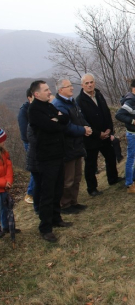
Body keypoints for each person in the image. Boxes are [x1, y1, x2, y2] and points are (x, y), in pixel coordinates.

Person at [28, 80, 73, 243]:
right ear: (36, 94)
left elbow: (65, 119)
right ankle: (45, 228)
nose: (49, 92)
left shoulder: (48, 106)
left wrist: (57, 119)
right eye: (46, 90)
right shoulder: (34, 110)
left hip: (58, 154)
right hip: (46, 157)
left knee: (57, 189)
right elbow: (50, 127)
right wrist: (56, 120)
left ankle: (56, 218)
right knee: (47, 193)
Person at [76, 74, 122, 196]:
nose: (90, 85)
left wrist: (109, 130)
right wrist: (97, 134)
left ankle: (113, 179)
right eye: (87, 83)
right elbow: (83, 120)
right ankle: (92, 188)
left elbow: (106, 113)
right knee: (91, 163)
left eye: (91, 82)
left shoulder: (99, 95)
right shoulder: (79, 100)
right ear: (82, 85)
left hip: (105, 134)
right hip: (91, 138)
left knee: (111, 157)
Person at [51, 79, 91, 214]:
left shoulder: (72, 102)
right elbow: (66, 127)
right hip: (68, 147)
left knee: (77, 177)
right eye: (68, 87)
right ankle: (65, 205)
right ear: (60, 90)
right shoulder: (58, 105)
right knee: (68, 179)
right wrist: (83, 130)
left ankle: (74, 201)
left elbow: (80, 117)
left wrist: (86, 127)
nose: (72, 89)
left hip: (77, 145)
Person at [17, 88, 35, 205]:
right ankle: (30, 193)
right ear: (30, 97)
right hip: (30, 143)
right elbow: (25, 133)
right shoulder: (23, 112)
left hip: (40, 142)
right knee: (35, 167)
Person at [0, 128, 14, 238]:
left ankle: (6, 226)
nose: (4, 142)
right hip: (2, 185)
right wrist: (4, 183)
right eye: (2, 140)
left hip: (4, 187)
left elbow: (9, 167)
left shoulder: (4, 153)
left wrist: (9, 181)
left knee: (5, 208)